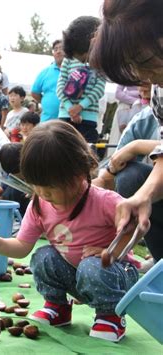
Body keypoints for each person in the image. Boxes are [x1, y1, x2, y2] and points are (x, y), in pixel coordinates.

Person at [0, 121, 139, 342]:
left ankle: (111, 316)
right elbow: (22, 246)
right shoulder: (39, 205)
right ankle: (58, 307)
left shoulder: (103, 201)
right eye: (36, 185)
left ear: (78, 175)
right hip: (79, 276)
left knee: (92, 266)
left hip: (115, 276)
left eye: (50, 187)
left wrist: (111, 251)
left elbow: (135, 226)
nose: (42, 193)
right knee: (43, 257)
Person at [89, 0, 163, 263]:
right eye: (133, 66)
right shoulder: (160, 91)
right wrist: (142, 197)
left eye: (144, 60)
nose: (145, 76)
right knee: (133, 181)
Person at [56, 16, 106, 143]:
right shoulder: (68, 59)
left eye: (84, 58)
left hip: (88, 117)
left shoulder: (99, 61)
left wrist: (80, 106)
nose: (84, 62)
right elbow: (60, 86)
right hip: (65, 115)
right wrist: (70, 109)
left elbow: (99, 88)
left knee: (87, 150)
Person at [31, 40, 64, 122]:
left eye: (61, 48)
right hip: (47, 121)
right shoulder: (45, 72)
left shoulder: (75, 71)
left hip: (69, 122)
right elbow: (34, 92)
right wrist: (46, 102)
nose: (58, 51)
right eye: (55, 49)